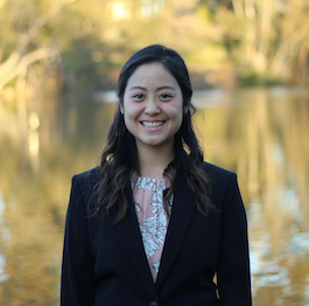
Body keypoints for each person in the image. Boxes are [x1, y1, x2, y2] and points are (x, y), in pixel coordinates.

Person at [61, 44, 252, 306]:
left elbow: (237, 293)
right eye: (138, 96)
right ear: (122, 105)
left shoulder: (221, 188)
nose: (151, 108)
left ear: (185, 104)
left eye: (165, 96)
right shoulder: (87, 190)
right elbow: (75, 293)